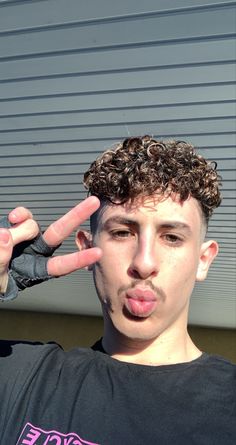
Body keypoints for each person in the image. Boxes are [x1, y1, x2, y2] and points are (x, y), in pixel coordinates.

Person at [0, 136, 235, 444]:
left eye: (172, 238)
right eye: (122, 232)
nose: (144, 262)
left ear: (203, 260)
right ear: (87, 247)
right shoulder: (20, 374)